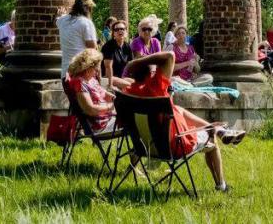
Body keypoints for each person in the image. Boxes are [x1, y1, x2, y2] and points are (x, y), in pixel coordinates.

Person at [124, 51, 244, 193]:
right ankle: (221, 186)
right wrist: (138, 62)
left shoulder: (128, 95)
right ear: (152, 72)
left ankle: (221, 130)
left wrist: (136, 65)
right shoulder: (156, 88)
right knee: (211, 138)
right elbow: (170, 55)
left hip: (145, 147)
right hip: (173, 146)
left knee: (178, 109)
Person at [65, 48, 116, 133]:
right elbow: (90, 109)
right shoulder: (80, 83)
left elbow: (105, 94)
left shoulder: (91, 80)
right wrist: (110, 107)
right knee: (133, 121)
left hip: (108, 118)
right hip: (101, 125)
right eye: (96, 69)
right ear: (88, 68)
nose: (97, 73)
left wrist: (117, 98)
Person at [56, 0, 99, 79]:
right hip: (82, 74)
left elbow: (56, 20)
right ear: (87, 8)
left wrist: (59, 15)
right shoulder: (86, 23)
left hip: (66, 75)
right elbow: (92, 49)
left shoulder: (62, 20)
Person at [100, 20, 134, 89]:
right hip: (108, 77)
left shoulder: (127, 46)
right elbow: (108, 67)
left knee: (137, 83)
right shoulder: (109, 46)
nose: (119, 31)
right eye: (116, 29)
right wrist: (110, 85)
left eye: (122, 29)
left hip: (122, 77)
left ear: (126, 31)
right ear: (113, 33)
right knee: (130, 86)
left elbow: (130, 65)